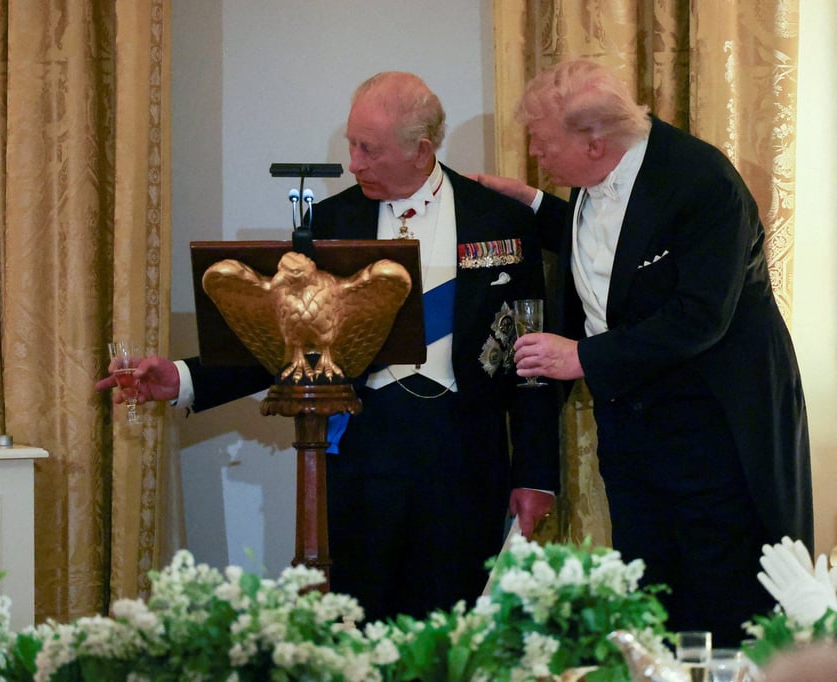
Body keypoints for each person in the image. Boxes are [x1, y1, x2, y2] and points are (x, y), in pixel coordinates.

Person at [97, 71, 560, 623]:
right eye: (351, 143)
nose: (354, 162)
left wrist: (536, 474)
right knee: (356, 622)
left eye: (369, 149)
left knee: (453, 628)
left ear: (422, 149)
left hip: (465, 455)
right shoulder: (333, 221)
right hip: (361, 448)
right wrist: (183, 377)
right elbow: (285, 339)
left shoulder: (499, 218)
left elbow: (532, 358)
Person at [472, 59, 812, 646]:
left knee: (720, 607)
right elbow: (620, 251)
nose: (536, 154)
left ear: (595, 143)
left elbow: (699, 316)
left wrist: (582, 358)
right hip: (635, 434)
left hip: (718, 437)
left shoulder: (703, 182)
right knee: (650, 605)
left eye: (543, 143)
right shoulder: (590, 182)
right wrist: (534, 205)